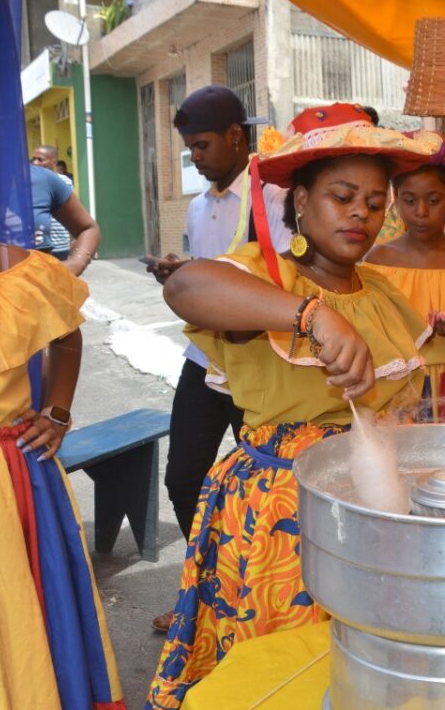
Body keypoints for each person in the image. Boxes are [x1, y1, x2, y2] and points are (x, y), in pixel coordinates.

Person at [145, 104, 440, 708]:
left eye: (376, 200)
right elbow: (185, 287)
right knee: (285, 676)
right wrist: (311, 315)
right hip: (284, 520)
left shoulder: (381, 290)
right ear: (300, 201)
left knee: (363, 674)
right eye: (342, 194)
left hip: (375, 509)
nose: (362, 211)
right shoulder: (267, 277)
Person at [0, 92, 125, 707]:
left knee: (32, 631)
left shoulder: (22, 270)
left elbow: (66, 335)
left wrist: (59, 411)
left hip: (21, 482)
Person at [148, 84, 292, 547]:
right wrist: (182, 275)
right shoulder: (197, 207)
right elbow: (212, 273)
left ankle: (249, 589)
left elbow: (288, 281)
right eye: (190, 148)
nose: (194, 158)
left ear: (235, 135)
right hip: (202, 360)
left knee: (265, 482)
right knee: (183, 479)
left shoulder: (275, 199)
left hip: (257, 362)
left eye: (201, 146)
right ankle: (202, 587)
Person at [366, 139, 445, 422]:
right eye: (410, 200)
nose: (421, 212)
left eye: (433, 201)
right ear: (395, 199)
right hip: (397, 384)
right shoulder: (379, 261)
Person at [28, 144, 101, 276]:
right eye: (34, 159)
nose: (35, 162)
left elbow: (83, 223)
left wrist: (76, 263)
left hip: (58, 243)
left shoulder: (53, 181)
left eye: (40, 159)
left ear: (53, 161)